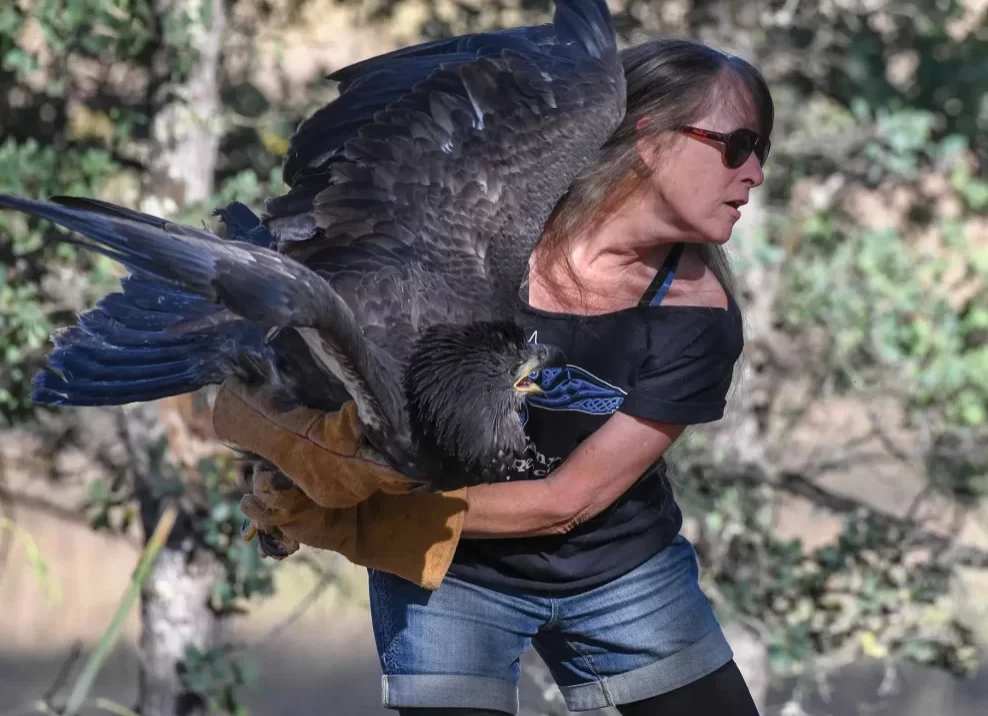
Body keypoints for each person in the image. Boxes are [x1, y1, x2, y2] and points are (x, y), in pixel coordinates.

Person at [215, 36, 771, 716]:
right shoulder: (482, 232)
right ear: (650, 138)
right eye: (737, 145)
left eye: (761, 150)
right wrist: (294, 458)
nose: (755, 174)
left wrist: (356, 511)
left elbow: (569, 500)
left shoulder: (697, 317)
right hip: (454, 577)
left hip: (622, 570)